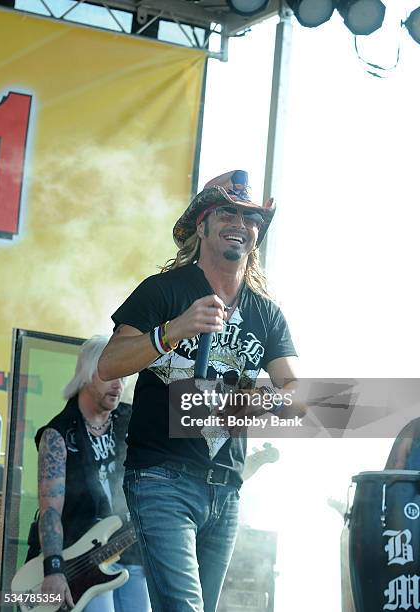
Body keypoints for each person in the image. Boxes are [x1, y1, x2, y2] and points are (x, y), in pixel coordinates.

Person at [98, 169, 305, 612]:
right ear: (202, 224)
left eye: (251, 218)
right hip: (160, 479)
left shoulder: (266, 314)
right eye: (227, 212)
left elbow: (295, 397)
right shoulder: (164, 291)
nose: (240, 223)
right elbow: (108, 363)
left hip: (226, 489)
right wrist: (174, 330)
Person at [28, 335, 151, 612]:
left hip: (132, 551)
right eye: (112, 375)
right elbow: (50, 511)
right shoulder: (58, 435)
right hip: (80, 562)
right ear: (87, 372)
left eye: (124, 377)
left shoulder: (132, 421)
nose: (120, 384)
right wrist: (54, 569)